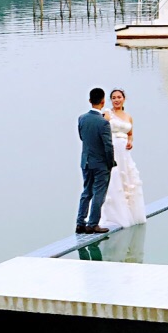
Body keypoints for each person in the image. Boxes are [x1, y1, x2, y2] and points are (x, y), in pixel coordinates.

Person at [100, 88, 147, 227]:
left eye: (119, 97)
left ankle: (131, 212)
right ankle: (115, 214)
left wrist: (130, 141)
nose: (116, 100)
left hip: (125, 153)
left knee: (128, 179)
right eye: (113, 97)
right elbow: (102, 129)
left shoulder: (128, 116)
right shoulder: (108, 114)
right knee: (114, 178)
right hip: (113, 149)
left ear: (124, 99)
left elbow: (130, 133)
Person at [76, 87, 115, 234]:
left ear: (90, 101)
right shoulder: (103, 123)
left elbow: (82, 137)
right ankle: (92, 224)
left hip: (86, 161)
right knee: (99, 192)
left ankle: (80, 223)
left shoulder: (81, 118)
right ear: (103, 101)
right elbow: (108, 146)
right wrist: (110, 163)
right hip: (100, 163)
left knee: (86, 191)